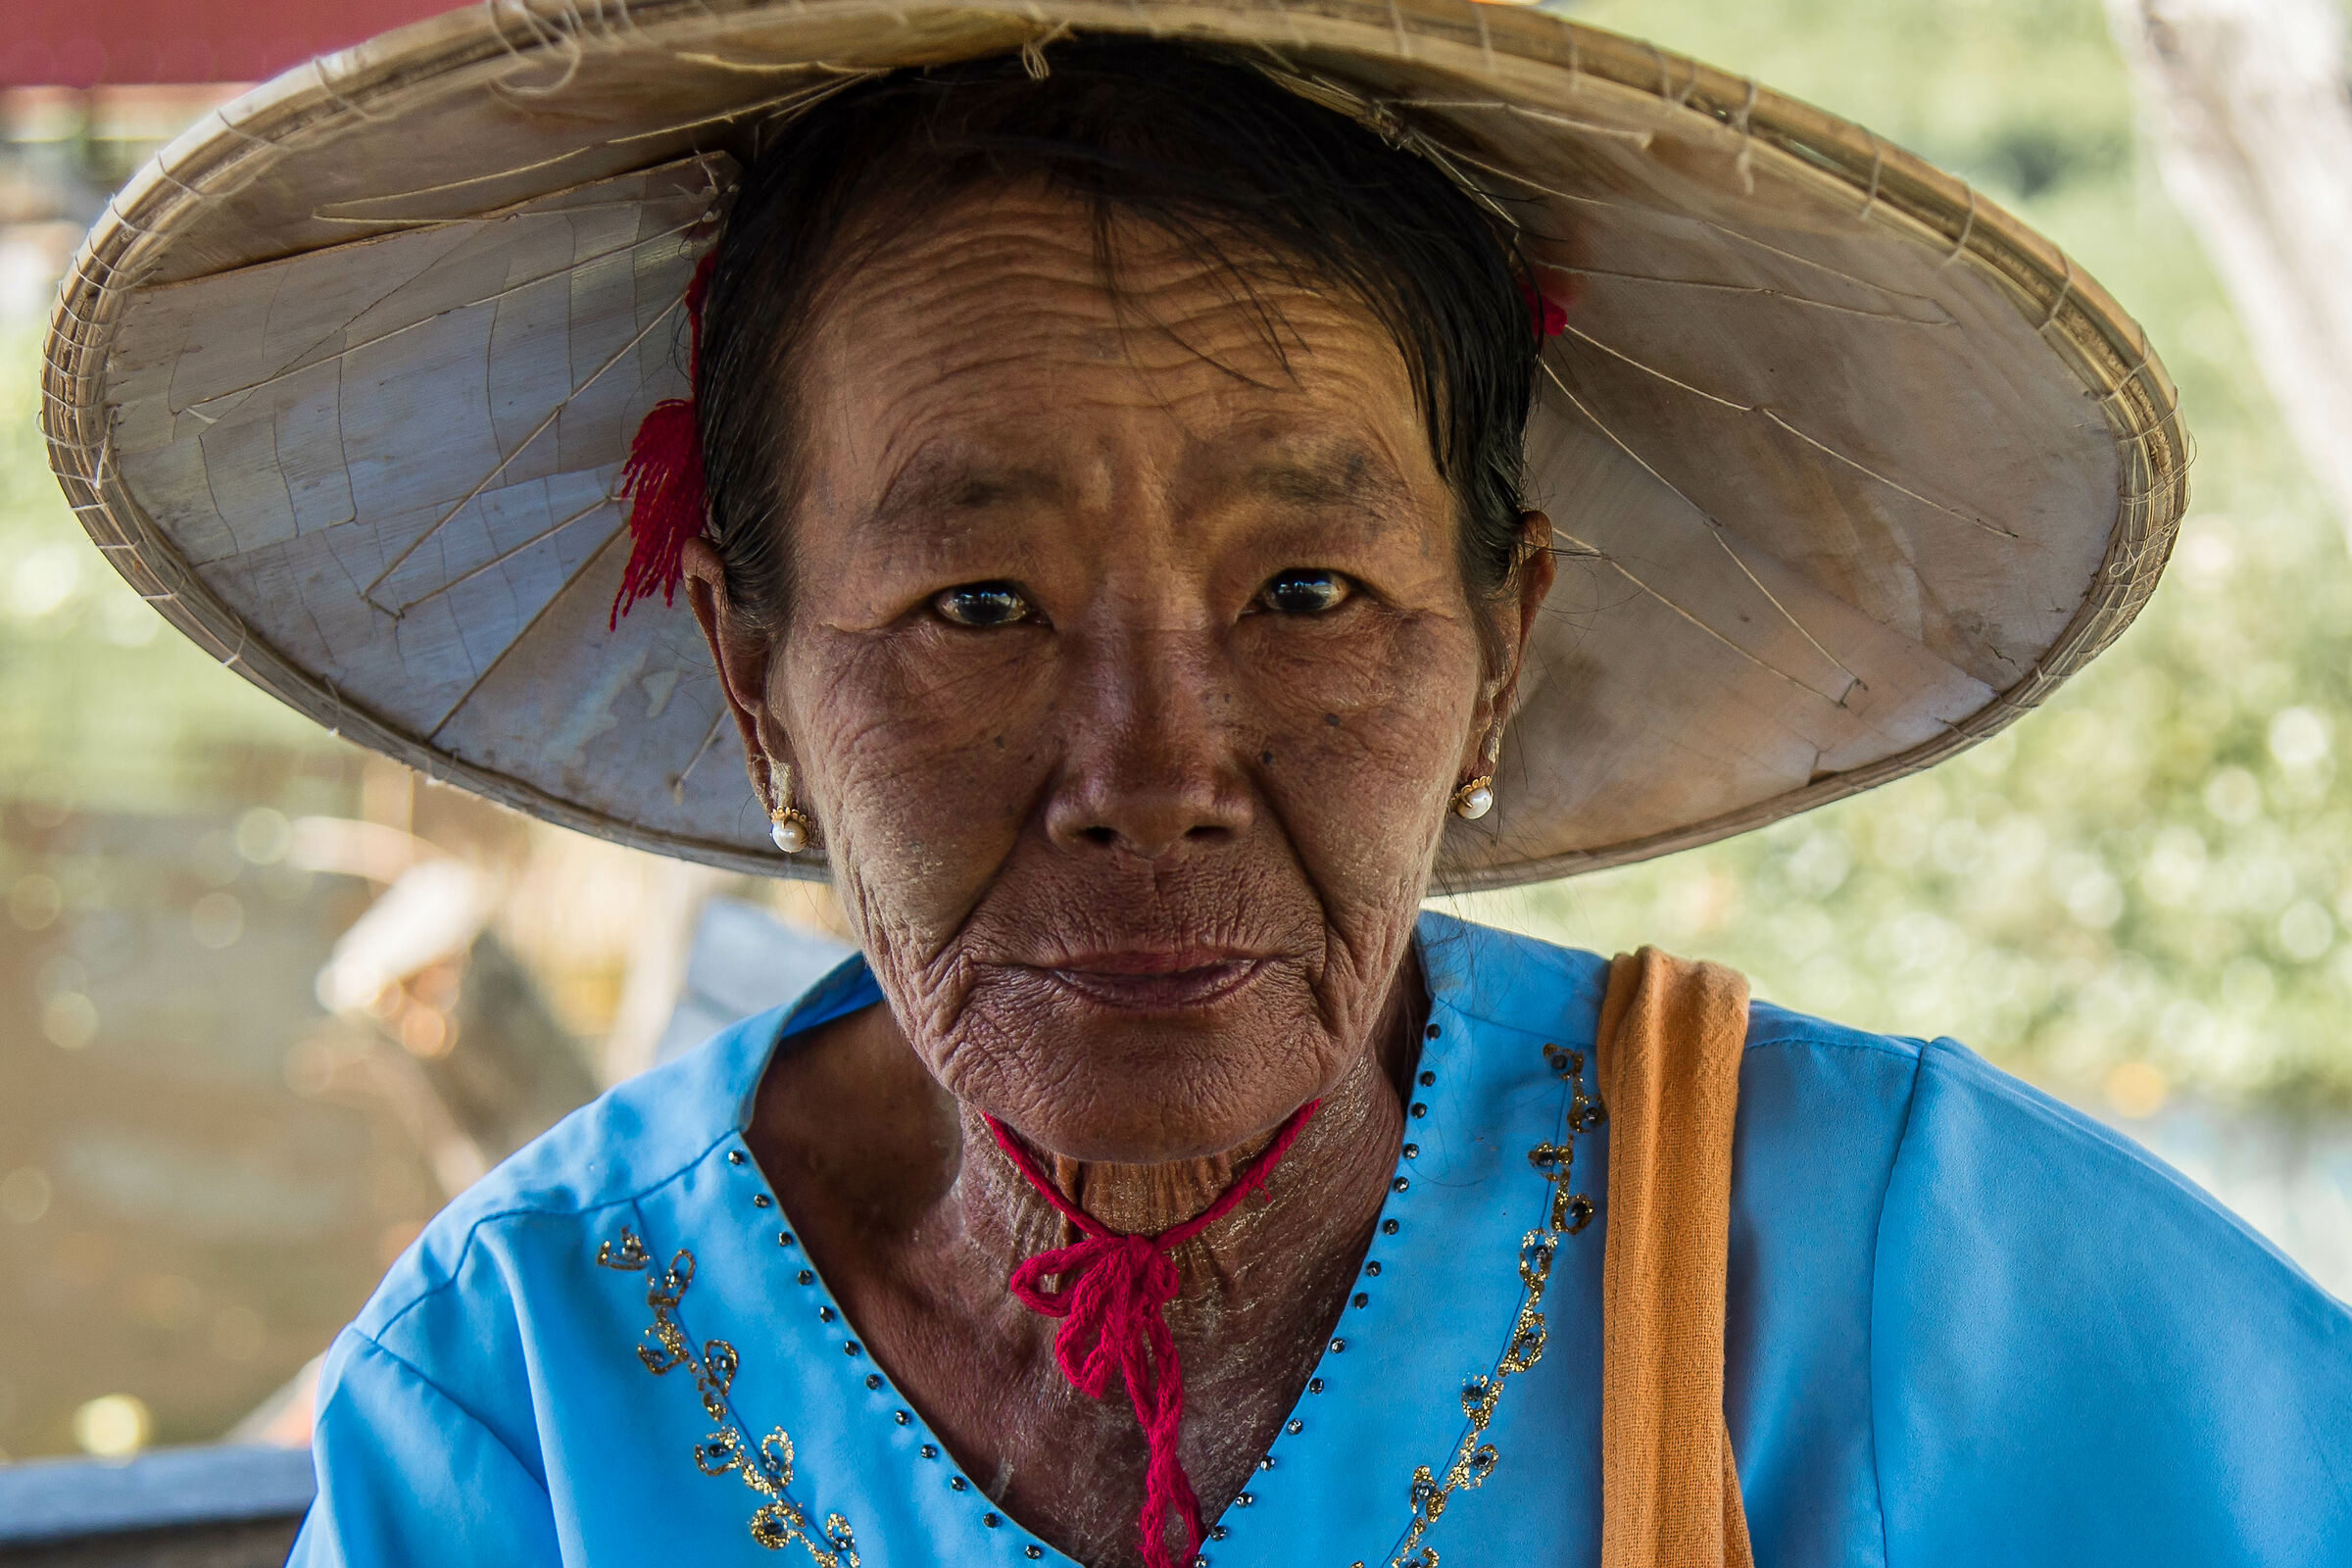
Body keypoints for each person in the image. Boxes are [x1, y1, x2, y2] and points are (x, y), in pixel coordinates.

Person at [42, 10, 2350, 1567]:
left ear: (1501, 644)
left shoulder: (1891, 1267)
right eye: (974, 605)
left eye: (1314, 590)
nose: (1149, 774)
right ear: (754, 679)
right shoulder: (524, 1386)